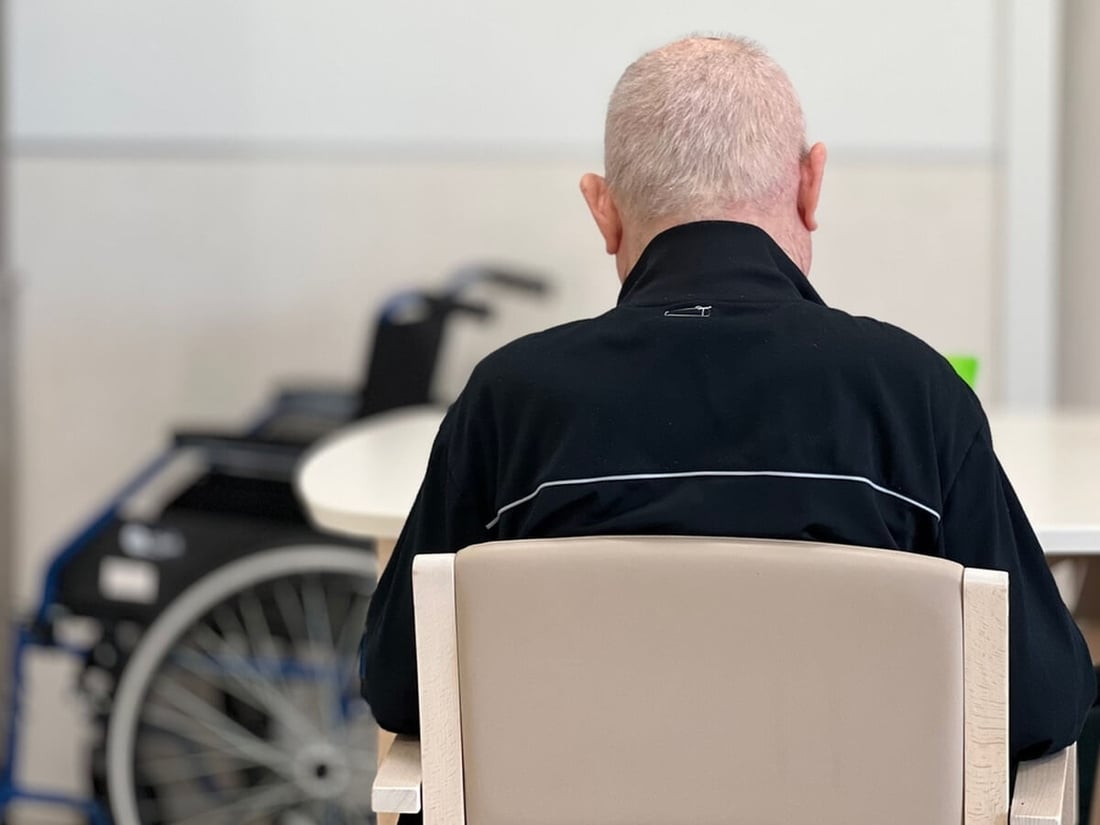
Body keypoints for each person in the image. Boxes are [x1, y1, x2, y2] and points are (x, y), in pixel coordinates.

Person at [362, 34, 1094, 775]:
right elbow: (1039, 701)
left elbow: (402, 684)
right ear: (811, 185)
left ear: (602, 210)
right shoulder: (912, 394)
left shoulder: (510, 399)